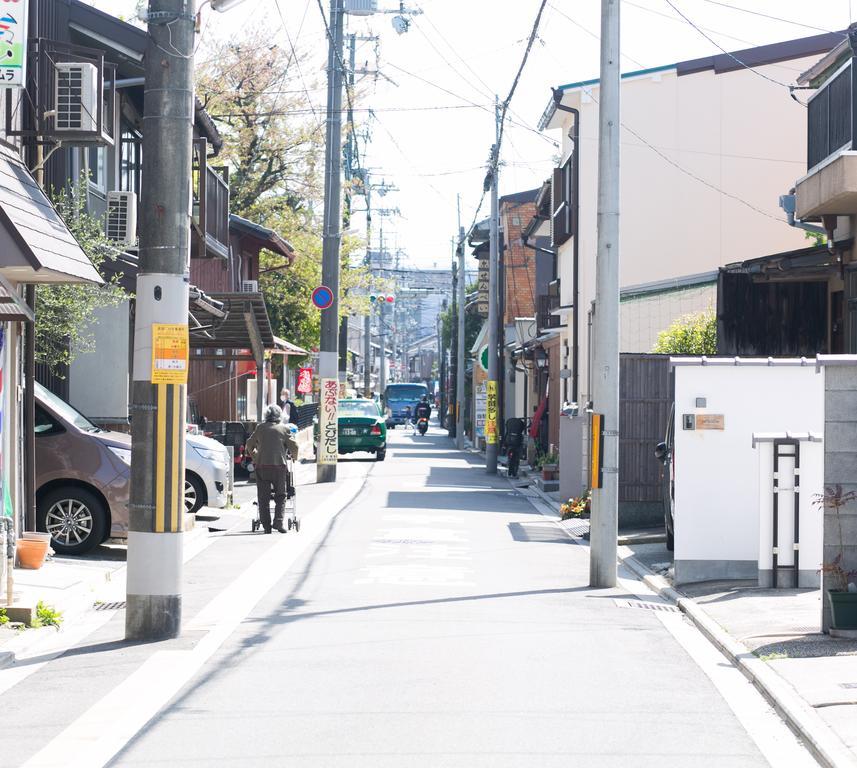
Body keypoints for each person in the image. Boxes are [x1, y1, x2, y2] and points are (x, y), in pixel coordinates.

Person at [245, 405, 299, 534]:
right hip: (279, 467)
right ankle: (278, 523)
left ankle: (267, 527)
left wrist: (255, 456)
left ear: (266, 416)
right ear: (279, 416)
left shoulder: (260, 428)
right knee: (281, 495)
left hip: (262, 467)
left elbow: (249, 444)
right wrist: (294, 457)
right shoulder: (284, 429)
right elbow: (295, 446)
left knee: (263, 498)